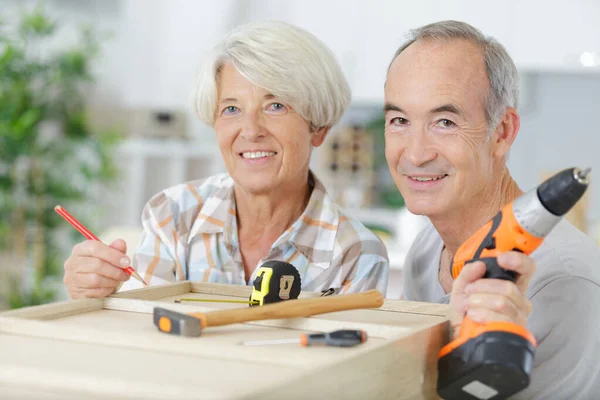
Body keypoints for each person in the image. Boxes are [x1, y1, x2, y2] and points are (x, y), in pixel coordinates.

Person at [63, 21, 389, 299]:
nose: (251, 130)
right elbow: (144, 334)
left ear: (317, 129)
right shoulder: (174, 215)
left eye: (275, 106)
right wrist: (93, 297)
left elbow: (340, 367)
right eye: (231, 109)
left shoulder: (356, 254)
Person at [384, 20, 600, 398]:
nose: (415, 153)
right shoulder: (426, 250)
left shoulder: (564, 281)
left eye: (445, 122)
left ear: (502, 133)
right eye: (400, 120)